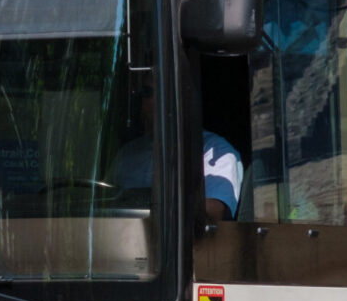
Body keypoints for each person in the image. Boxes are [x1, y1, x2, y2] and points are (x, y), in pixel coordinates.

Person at [104, 78, 244, 220]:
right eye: (142, 94)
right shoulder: (127, 153)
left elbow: (213, 212)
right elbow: (103, 202)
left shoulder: (215, 151)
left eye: (147, 92)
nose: (142, 101)